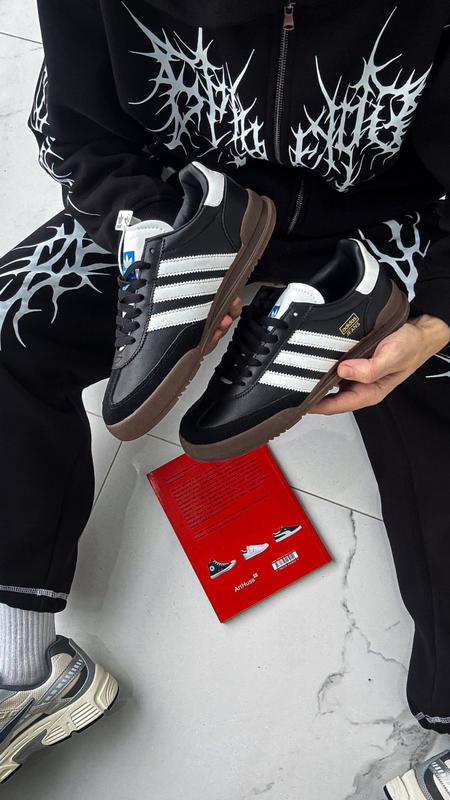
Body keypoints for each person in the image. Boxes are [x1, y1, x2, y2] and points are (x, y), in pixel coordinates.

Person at [0, 0, 449, 794]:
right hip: (189, 204)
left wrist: (439, 316)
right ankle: (17, 672)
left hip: (391, 223)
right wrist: (154, 230)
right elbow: (76, 126)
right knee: (7, 327)